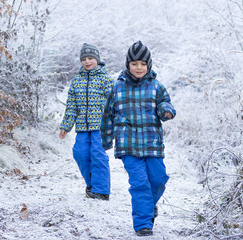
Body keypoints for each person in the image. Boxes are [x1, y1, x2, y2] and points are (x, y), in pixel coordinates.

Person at [100, 40, 176, 236]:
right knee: (140, 183)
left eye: (142, 64)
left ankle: (148, 207)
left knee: (159, 179)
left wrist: (166, 111)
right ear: (128, 65)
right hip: (128, 144)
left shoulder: (156, 86)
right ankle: (143, 223)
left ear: (148, 65)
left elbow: (164, 103)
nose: (139, 67)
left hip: (152, 143)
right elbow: (108, 114)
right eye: (134, 64)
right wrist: (107, 140)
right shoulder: (117, 88)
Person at [59, 43, 113, 201]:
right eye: (84, 59)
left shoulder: (105, 80)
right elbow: (71, 107)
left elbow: (114, 103)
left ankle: (102, 190)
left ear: (97, 59)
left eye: (90, 58)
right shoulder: (76, 82)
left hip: (100, 127)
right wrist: (66, 126)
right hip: (82, 126)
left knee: (97, 154)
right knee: (80, 153)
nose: (87, 62)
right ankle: (91, 184)